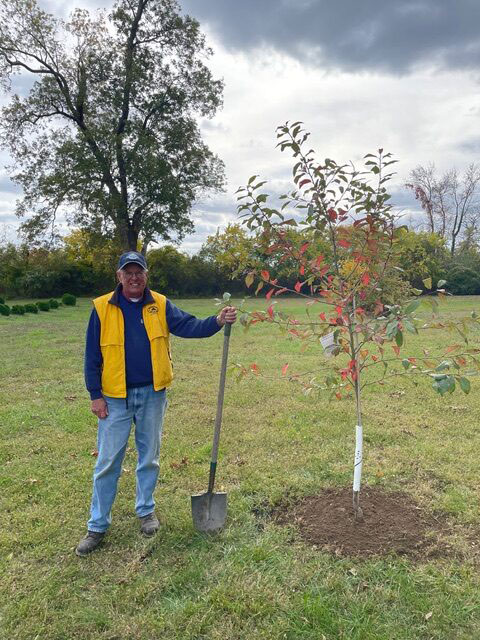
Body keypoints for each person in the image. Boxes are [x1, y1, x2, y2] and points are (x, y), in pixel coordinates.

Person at [76, 251, 237, 556]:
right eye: (128, 272)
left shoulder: (159, 305)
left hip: (153, 393)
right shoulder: (101, 308)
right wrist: (95, 394)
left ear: (146, 275)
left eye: (139, 272)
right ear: (119, 276)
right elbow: (91, 356)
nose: (134, 277)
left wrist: (217, 321)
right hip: (114, 397)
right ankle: (97, 525)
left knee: (149, 457)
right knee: (108, 461)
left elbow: (190, 326)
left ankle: (145, 512)